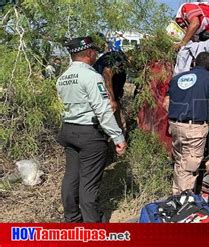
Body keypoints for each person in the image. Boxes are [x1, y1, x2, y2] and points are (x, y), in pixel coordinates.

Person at [56, 36, 127, 222]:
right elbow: (102, 109)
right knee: (89, 183)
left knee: (71, 177)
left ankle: (72, 219)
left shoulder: (62, 78)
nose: (96, 54)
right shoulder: (92, 76)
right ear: (89, 53)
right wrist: (118, 137)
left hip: (68, 130)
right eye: (95, 51)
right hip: (89, 134)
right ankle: (93, 225)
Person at [164, 52, 209, 195]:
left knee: (180, 161)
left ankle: (177, 194)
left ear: (194, 63)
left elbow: (166, 103)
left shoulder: (177, 78)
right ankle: (183, 200)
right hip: (194, 128)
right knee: (189, 165)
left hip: (175, 125)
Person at [93, 37, 128, 132]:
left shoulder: (109, 57)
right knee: (117, 129)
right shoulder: (119, 57)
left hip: (101, 98)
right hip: (104, 100)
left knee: (119, 127)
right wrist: (111, 99)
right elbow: (107, 73)